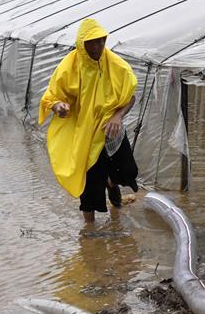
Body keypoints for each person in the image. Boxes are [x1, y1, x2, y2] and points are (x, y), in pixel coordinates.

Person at [39, 18, 139, 223]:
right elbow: (53, 96)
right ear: (81, 44)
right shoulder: (70, 67)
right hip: (84, 134)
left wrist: (117, 116)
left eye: (101, 41)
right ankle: (89, 234)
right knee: (91, 184)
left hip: (111, 130)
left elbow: (131, 96)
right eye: (92, 42)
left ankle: (113, 188)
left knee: (127, 170)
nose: (98, 47)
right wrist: (59, 107)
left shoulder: (115, 65)